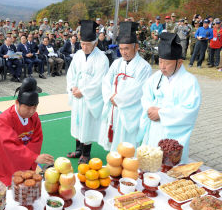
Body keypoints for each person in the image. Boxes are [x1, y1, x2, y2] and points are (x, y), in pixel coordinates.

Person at [0, 78, 54, 185]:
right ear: (17, 103)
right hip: (0, 153)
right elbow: (9, 145)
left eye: (35, 107)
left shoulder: (34, 117)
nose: (31, 111)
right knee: (3, 183)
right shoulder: (4, 119)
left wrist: (31, 157)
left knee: (24, 178)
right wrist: (34, 157)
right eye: (28, 107)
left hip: (21, 152)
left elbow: (37, 139)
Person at [138, 32, 201, 164]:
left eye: (167, 63)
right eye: (160, 61)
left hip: (172, 133)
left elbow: (189, 110)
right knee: (150, 166)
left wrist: (161, 113)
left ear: (179, 63)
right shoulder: (156, 77)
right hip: (154, 129)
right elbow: (146, 96)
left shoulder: (189, 82)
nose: (162, 67)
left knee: (169, 168)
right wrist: (149, 109)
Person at [98, 22, 151, 152]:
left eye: (126, 48)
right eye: (121, 49)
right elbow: (106, 81)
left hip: (131, 111)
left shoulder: (144, 67)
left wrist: (119, 99)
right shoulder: (116, 63)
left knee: (128, 146)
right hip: (114, 108)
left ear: (136, 47)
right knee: (115, 144)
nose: (123, 52)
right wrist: (111, 96)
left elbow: (138, 90)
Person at [66, 20, 109, 164]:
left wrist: (83, 91)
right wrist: (72, 87)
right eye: (82, 44)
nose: (84, 47)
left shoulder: (102, 58)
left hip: (89, 98)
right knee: (77, 123)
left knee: (87, 124)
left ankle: (86, 153)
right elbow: (71, 73)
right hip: (77, 95)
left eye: (87, 44)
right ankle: (78, 150)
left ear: (95, 43)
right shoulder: (78, 54)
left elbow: (100, 80)